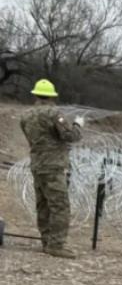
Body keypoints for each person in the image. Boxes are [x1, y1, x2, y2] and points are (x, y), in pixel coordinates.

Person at [19, 79, 83, 258]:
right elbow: (69, 136)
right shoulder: (54, 114)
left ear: (36, 95)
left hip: (37, 164)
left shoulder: (26, 115)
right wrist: (78, 125)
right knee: (60, 206)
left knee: (43, 205)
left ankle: (46, 240)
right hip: (54, 166)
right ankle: (56, 245)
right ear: (52, 96)